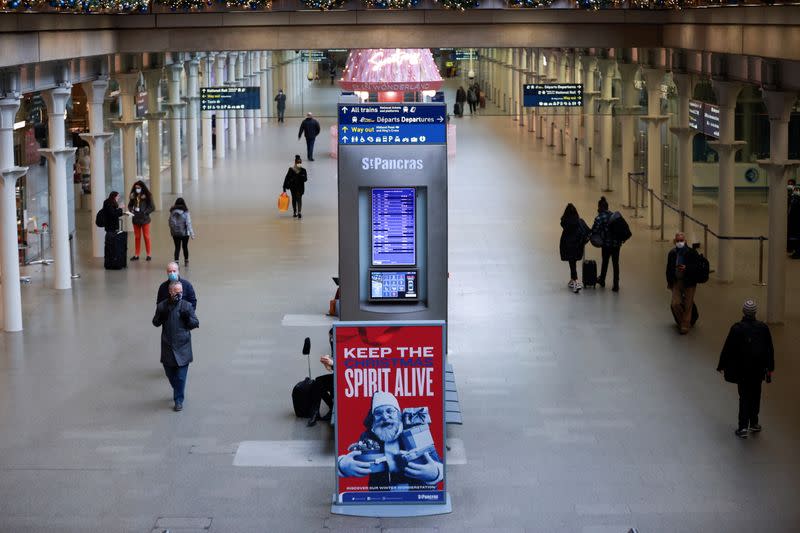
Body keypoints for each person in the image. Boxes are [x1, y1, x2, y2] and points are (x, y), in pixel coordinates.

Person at [337, 392, 443, 489]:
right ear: (373, 418)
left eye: (390, 411)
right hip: (381, 496)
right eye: (378, 413)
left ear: (398, 414)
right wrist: (343, 465)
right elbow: (354, 459)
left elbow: (438, 464)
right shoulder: (368, 437)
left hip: (417, 494)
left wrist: (435, 472)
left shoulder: (416, 432)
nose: (384, 416)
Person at [717, 299, 775, 439]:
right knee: (756, 395)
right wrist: (770, 368)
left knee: (744, 397)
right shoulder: (763, 328)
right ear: (755, 313)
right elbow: (769, 350)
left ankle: (743, 427)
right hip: (758, 370)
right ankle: (754, 423)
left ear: (744, 312)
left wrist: (721, 365)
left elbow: (728, 348)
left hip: (742, 370)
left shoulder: (737, 328)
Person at [153, 281, 200, 412]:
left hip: (183, 346)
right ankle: (177, 388)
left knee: (180, 376)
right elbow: (155, 322)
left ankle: (178, 400)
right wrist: (162, 316)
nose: (179, 294)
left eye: (181, 292)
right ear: (170, 292)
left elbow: (195, 323)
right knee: (170, 373)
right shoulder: (162, 306)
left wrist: (188, 319)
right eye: (176, 292)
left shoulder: (187, 306)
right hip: (168, 345)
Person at [666, 232, 701, 334]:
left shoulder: (692, 253)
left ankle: (685, 325)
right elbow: (668, 268)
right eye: (677, 241)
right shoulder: (672, 253)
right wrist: (669, 282)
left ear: (685, 241)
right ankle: (683, 321)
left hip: (689, 282)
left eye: (681, 240)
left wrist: (687, 268)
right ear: (674, 241)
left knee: (688, 304)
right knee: (675, 303)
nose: (680, 242)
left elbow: (697, 267)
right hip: (676, 282)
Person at [591, 196, 622, 292]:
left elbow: (594, 230)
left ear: (600, 207)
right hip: (617, 244)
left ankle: (602, 280)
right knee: (615, 263)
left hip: (606, 244)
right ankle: (616, 284)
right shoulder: (614, 216)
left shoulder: (600, 218)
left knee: (605, 262)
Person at [559, 203, 590, 293]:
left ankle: (576, 281)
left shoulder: (565, 223)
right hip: (578, 246)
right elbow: (588, 231)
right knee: (573, 263)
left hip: (568, 246)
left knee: (572, 264)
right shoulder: (580, 222)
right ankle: (572, 280)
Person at [307, 328, 335, 427]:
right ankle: (315, 412)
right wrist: (329, 363)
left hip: (345, 380)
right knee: (318, 382)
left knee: (319, 382)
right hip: (338, 376)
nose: (331, 341)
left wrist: (332, 364)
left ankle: (330, 407)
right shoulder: (334, 345)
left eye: (332, 339)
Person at [127, 180, 154, 262]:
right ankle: (136, 254)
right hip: (135, 219)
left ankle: (148, 254)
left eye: (138, 188)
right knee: (137, 237)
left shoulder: (147, 196)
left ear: (142, 187)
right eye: (136, 188)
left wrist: (145, 212)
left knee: (146, 236)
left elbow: (152, 207)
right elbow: (130, 205)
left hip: (144, 219)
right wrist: (131, 210)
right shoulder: (133, 196)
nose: (137, 189)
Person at [168, 197, 195, 266]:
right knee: (185, 247)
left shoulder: (172, 212)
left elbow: (170, 223)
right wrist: (192, 233)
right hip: (185, 233)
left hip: (175, 233)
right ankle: (186, 261)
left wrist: (172, 231)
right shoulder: (186, 212)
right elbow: (188, 223)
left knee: (177, 247)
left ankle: (176, 262)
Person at [283, 155, 308, 219]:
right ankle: (295, 211)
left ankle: (299, 212)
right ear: (295, 162)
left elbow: (305, 179)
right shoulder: (291, 170)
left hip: (300, 187)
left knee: (299, 199)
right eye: (298, 163)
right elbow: (286, 178)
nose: (299, 164)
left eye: (300, 163)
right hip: (293, 187)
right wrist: (284, 188)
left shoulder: (303, 170)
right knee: (294, 199)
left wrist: (302, 176)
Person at [788, 186, 800, 259]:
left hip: (796, 222)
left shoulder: (796, 201)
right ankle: (796, 251)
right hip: (794, 222)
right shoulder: (793, 200)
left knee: (797, 238)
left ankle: (797, 253)